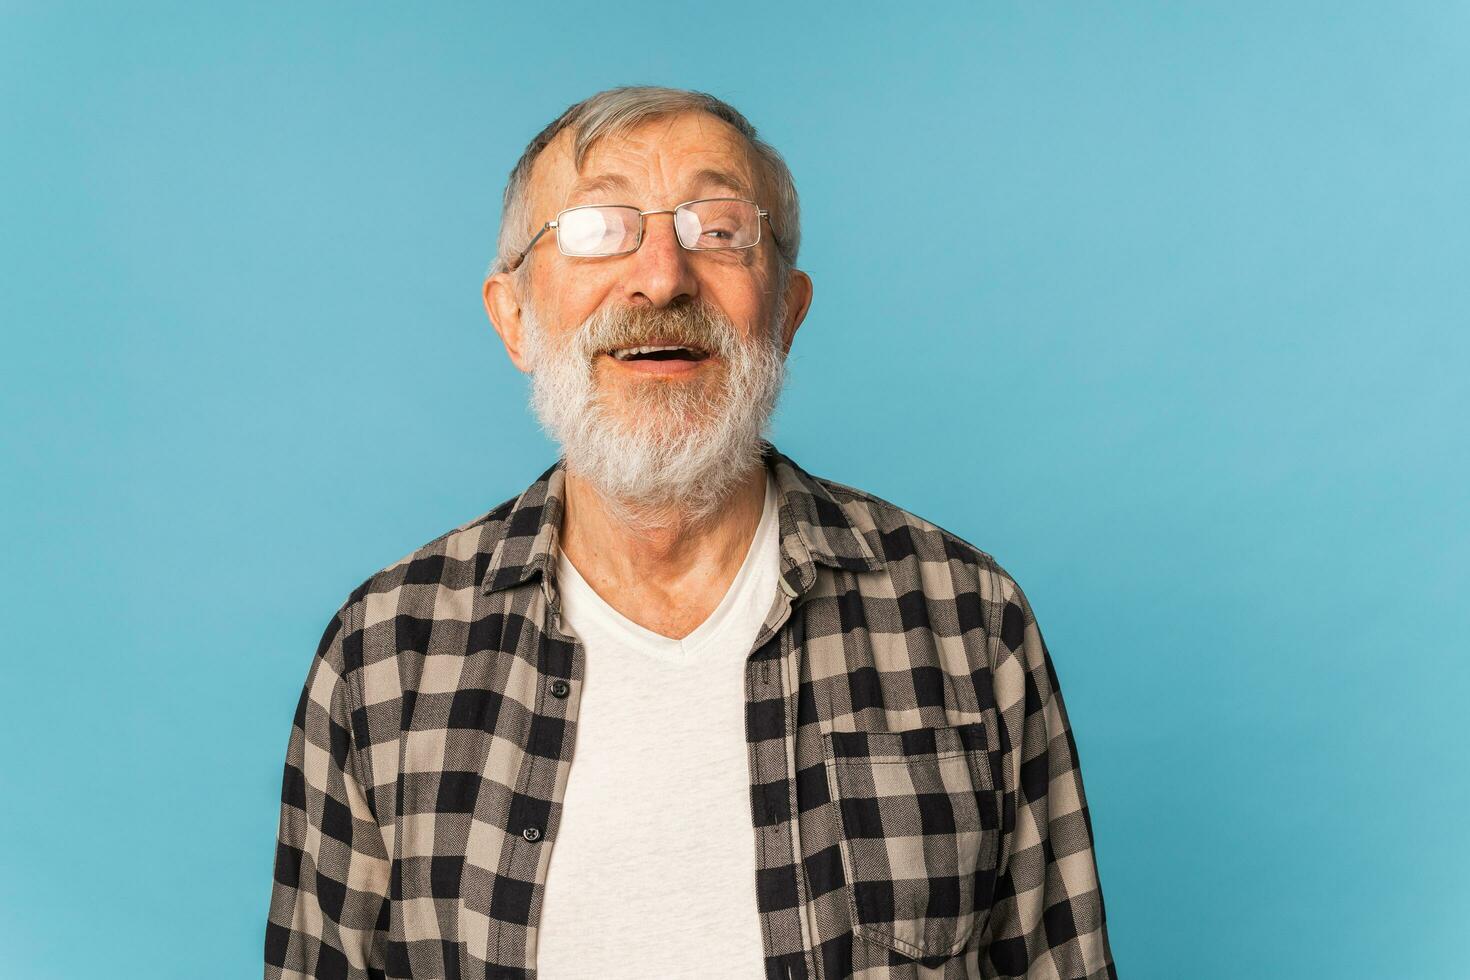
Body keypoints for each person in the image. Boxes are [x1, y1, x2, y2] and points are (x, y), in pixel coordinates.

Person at [265, 84, 1116, 980]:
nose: (664, 276)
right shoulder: (386, 653)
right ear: (513, 316)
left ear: (786, 311)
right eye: (600, 228)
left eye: (717, 229)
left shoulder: (967, 621)